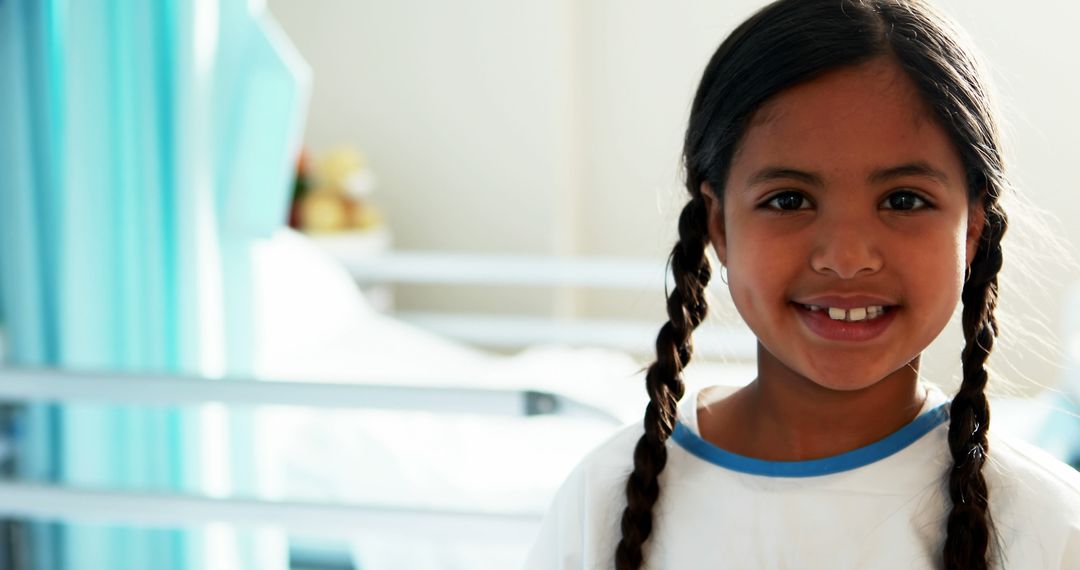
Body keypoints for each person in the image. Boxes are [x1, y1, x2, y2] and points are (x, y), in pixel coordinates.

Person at [523, 0, 1080, 568]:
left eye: (904, 200)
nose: (846, 258)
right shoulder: (603, 501)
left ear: (972, 230)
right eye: (788, 200)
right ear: (719, 226)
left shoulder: (1049, 524)